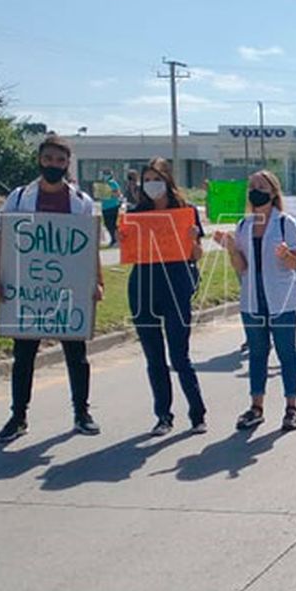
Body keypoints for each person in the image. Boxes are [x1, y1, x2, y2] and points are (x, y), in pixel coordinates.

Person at [0, 134, 103, 444]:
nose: (54, 165)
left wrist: (97, 281)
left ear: (68, 164)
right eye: (49, 159)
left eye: (60, 161)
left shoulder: (81, 202)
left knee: (76, 355)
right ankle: (18, 416)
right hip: (28, 292)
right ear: (40, 160)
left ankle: (82, 413)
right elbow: (0, 236)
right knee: (23, 356)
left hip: (69, 292)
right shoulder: (18, 198)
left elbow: (91, 244)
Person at [212, 169, 296, 432]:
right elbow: (241, 268)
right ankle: (256, 407)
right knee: (257, 354)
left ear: (273, 192)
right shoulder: (244, 225)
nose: (255, 190)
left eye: (261, 186)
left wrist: (286, 254)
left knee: (286, 353)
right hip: (253, 299)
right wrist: (231, 248)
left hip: (282, 299)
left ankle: (291, 407)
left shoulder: (286, 223)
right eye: (252, 185)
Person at [126, 158, 207, 436]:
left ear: (168, 180)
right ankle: (164, 416)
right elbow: (129, 252)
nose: (151, 185)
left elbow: (196, 255)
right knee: (154, 357)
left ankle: (197, 414)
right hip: (144, 288)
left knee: (179, 355)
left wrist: (194, 239)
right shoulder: (137, 212)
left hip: (176, 286)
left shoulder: (186, 212)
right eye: (147, 180)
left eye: (156, 179)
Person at [99, 168, 123, 247]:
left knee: (112, 224)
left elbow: (117, 193)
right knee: (107, 223)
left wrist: (109, 193)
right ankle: (113, 238)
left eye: (106, 173)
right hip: (105, 206)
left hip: (112, 205)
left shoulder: (113, 183)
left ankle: (116, 240)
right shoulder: (103, 184)